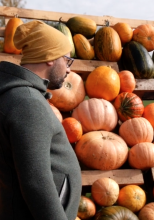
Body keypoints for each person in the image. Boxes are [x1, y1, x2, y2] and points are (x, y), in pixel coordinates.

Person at [0, 20, 82, 220]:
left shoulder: (20, 96)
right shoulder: (28, 104)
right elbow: (36, 182)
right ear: (50, 58)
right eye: (67, 61)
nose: (69, 70)